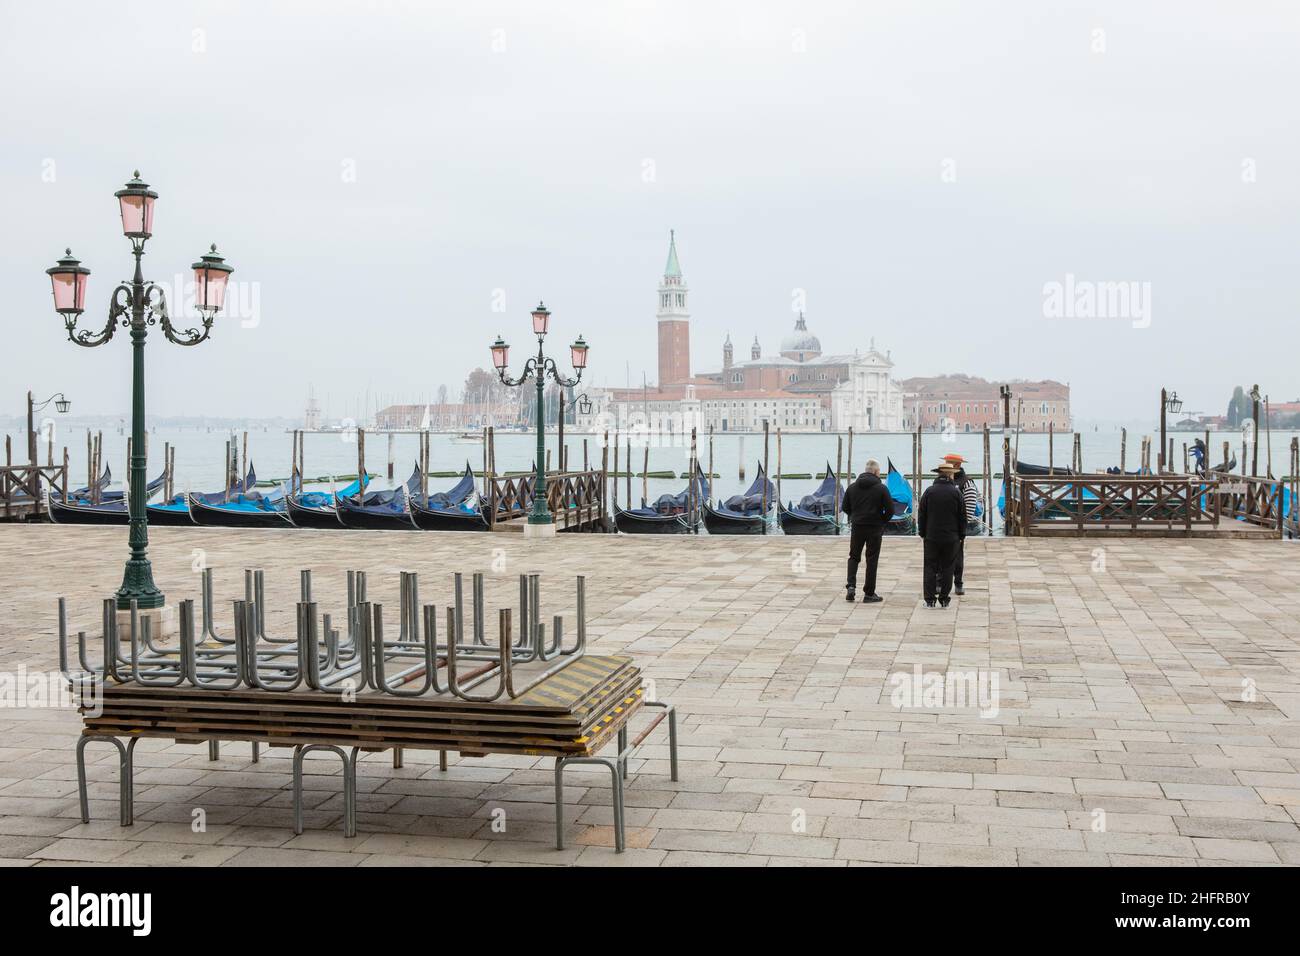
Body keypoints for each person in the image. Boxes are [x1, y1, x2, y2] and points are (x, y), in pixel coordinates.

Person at [840, 458, 894, 603]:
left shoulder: (852, 487)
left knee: (854, 556)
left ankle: (851, 586)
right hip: (875, 528)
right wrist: (882, 520)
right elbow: (890, 510)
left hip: (857, 526)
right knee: (872, 559)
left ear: (865, 471)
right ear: (876, 472)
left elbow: (845, 507)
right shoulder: (882, 488)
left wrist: (855, 515)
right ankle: (869, 593)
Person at [917, 461, 966, 607]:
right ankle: (944, 599)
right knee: (948, 567)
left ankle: (930, 599)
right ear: (951, 475)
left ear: (938, 474)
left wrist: (922, 532)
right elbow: (962, 517)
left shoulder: (929, 492)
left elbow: (921, 514)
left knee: (930, 567)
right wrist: (962, 535)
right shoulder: (956, 493)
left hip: (931, 536)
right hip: (952, 537)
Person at [943, 453, 981, 596]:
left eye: (948, 463)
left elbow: (970, 510)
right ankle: (940, 583)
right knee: (941, 556)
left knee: (957, 555)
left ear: (957, 465)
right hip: (942, 525)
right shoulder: (944, 481)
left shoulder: (967, 483)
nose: (945, 465)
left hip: (956, 527)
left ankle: (958, 583)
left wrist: (960, 525)